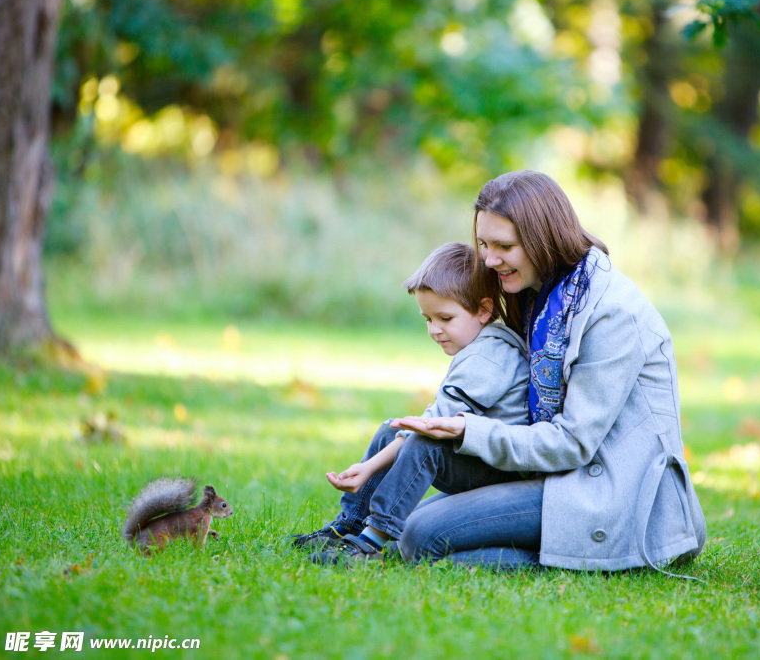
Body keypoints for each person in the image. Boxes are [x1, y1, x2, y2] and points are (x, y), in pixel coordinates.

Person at [391, 170, 706, 573]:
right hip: (552, 476)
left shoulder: (611, 313)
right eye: (484, 244)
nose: (488, 259)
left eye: (504, 246)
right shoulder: (544, 294)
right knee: (410, 530)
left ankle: (573, 558)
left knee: (423, 538)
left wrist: (470, 430)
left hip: (607, 493)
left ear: (543, 237)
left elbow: (573, 443)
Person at [290, 242, 530, 564]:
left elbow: (433, 426)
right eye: (427, 319)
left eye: (445, 318)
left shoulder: (491, 356)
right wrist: (373, 461)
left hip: (500, 469)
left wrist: (370, 467)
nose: (434, 330)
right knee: (393, 430)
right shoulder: (479, 348)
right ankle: (348, 526)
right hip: (476, 456)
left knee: (422, 444)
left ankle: (370, 543)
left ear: (484, 310)